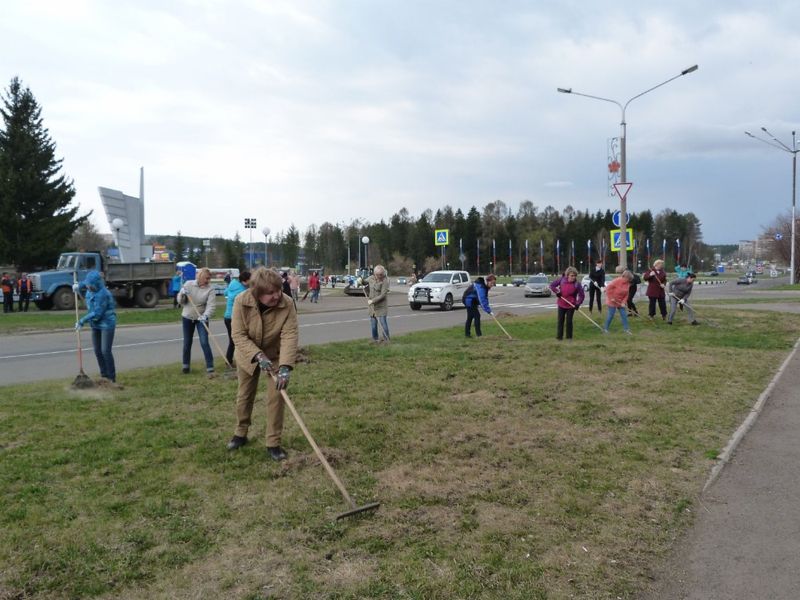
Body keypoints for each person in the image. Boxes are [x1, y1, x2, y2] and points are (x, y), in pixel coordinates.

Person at [227, 267, 298, 461]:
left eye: (278, 290)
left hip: (275, 355)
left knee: (277, 398)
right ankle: (240, 432)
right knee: (244, 395)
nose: (276, 296)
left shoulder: (288, 303)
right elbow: (238, 335)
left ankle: (273, 443)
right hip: (248, 354)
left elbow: (290, 335)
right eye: (270, 293)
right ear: (257, 293)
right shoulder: (241, 301)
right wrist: (257, 355)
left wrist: (285, 366)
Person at [74, 270, 118, 385]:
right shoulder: (90, 287)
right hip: (95, 325)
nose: (88, 286)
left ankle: (111, 379)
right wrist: (77, 286)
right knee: (97, 351)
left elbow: (97, 313)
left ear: (96, 284)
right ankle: (104, 376)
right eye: (87, 284)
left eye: (90, 284)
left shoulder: (103, 294)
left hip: (107, 324)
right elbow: (84, 283)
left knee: (105, 351)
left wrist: (82, 321)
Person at [177, 267, 216, 376]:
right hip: (187, 317)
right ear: (200, 276)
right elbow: (181, 302)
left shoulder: (210, 289)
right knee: (187, 342)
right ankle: (186, 366)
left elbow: (211, 306)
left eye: (209, 279)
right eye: (206, 278)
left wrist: (205, 315)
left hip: (201, 319)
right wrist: (182, 294)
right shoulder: (188, 284)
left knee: (204, 342)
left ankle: (210, 367)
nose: (208, 281)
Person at [223, 270, 251, 367]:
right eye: (250, 281)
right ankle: (230, 361)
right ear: (245, 281)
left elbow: (225, 293)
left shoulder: (232, 284)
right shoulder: (243, 291)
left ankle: (229, 360)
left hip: (227, 317)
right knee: (237, 340)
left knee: (233, 340)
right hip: (234, 317)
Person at [549, 267, 585, 340]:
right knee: (560, 321)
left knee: (569, 321)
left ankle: (569, 338)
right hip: (561, 304)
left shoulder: (577, 284)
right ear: (567, 275)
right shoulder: (562, 280)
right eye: (572, 275)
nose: (573, 277)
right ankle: (559, 337)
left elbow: (581, 295)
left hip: (571, 305)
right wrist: (557, 292)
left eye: (575, 276)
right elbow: (552, 285)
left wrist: (578, 303)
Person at [603, 270, 634, 334]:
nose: (629, 281)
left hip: (620, 302)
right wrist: (611, 298)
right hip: (612, 301)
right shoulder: (616, 281)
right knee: (611, 315)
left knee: (624, 315)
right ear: (624, 277)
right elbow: (607, 289)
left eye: (629, 280)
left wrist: (623, 302)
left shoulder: (627, 283)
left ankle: (626, 329)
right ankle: (605, 329)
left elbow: (627, 294)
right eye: (628, 279)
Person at [366, 264, 390, 342]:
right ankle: (375, 339)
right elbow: (364, 282)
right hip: (372, 306)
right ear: (375, 274)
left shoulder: (385, 281)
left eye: (382, 274)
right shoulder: (371, 278)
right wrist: (360, 281)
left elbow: (383, 295)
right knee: (373, 324)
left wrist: (372, 301)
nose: (381, 276)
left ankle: (387, 339)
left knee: (383, 323)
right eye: (379, 274)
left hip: (381, 306)